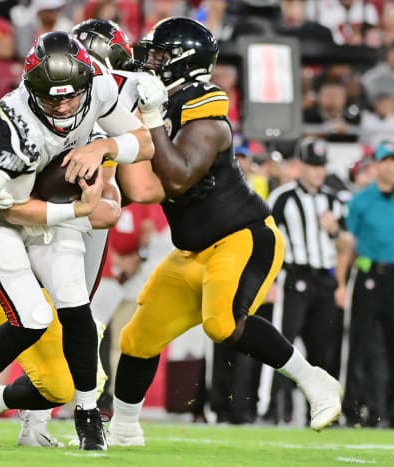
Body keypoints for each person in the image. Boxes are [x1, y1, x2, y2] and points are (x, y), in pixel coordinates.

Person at [0, 19, 163, 448]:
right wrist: (76, 208)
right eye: (51, 100)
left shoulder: (98, 87)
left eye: (71, 98)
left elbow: (145, 146)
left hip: (52, 213)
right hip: (0, 219)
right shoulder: (10, 120)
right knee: (33, 317)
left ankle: (86, 410)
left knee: (75, 302)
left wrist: (102, 147)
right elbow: (16, 209)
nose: (63, 109)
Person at [107, 17, 343, 447]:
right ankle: (123, 429)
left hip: (242, 236)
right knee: (137, 337)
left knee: (221, 323)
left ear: (182, 63)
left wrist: (152, 116)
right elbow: (142, 186)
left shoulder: (208, 114)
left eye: (160, 55)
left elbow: (176, 178)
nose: (151, 63)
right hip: (192, 249)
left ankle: (315, 381)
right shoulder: (162, 105)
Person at [343, 140, 394, 428]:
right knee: (360, 344)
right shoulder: (361, 201)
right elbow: (348, 245)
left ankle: (393, 412)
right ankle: (354, 409)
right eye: (385, 160)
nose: (390, 166)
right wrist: (341, 283)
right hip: (368, 276)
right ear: (376, 165)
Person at [265, 138, 349, 424]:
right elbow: (267, 240)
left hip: (324, 281)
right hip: (294, 277)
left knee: (324, 349)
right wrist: (271, 281)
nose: (317, 172)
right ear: (300, 166)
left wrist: (335, 231)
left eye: (321, 166)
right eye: (312, 166)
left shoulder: (333, 200)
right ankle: (277, 410)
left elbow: (348, 244)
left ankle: (325, 412)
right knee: (283, 345)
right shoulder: (283, 197)